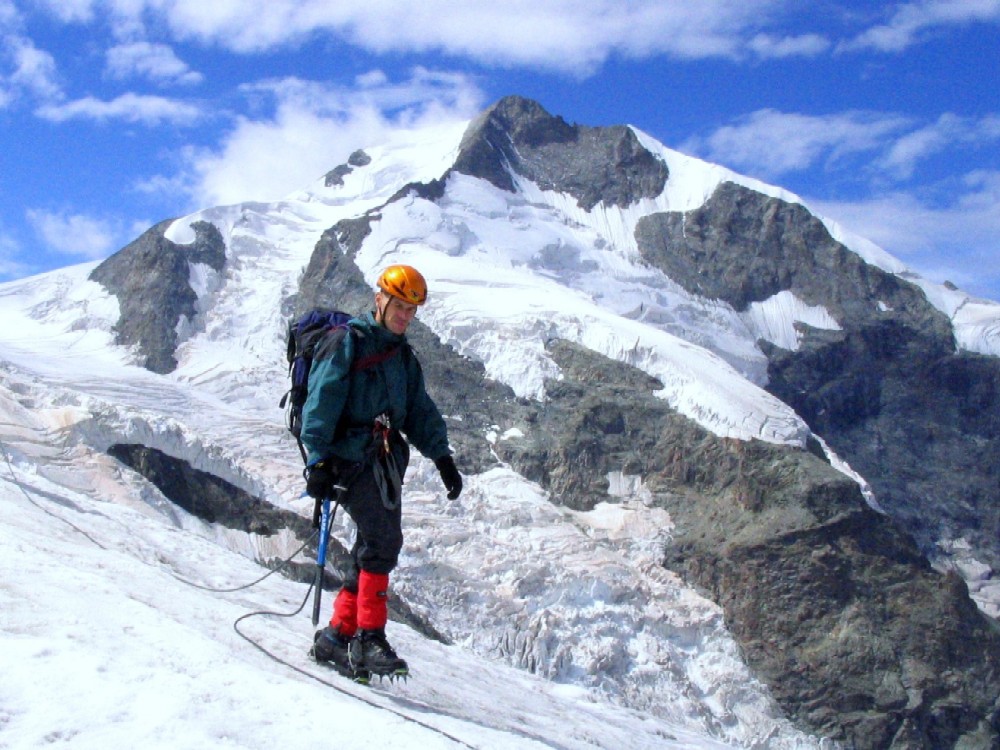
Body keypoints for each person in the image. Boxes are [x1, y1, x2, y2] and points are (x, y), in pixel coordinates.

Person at [301, 264, 462, 679]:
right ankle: (369, 637)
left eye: (411, 311)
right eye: (400, 307)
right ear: (380, 300)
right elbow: (320, 403)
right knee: (382, 540)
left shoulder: (402, 356)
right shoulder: (347, 343)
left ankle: (338, 636)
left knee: (371, 546)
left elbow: (419, 411)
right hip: (348, 458)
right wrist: (317, 460)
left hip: (380, 460)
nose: (405, 317)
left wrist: (442, 458)